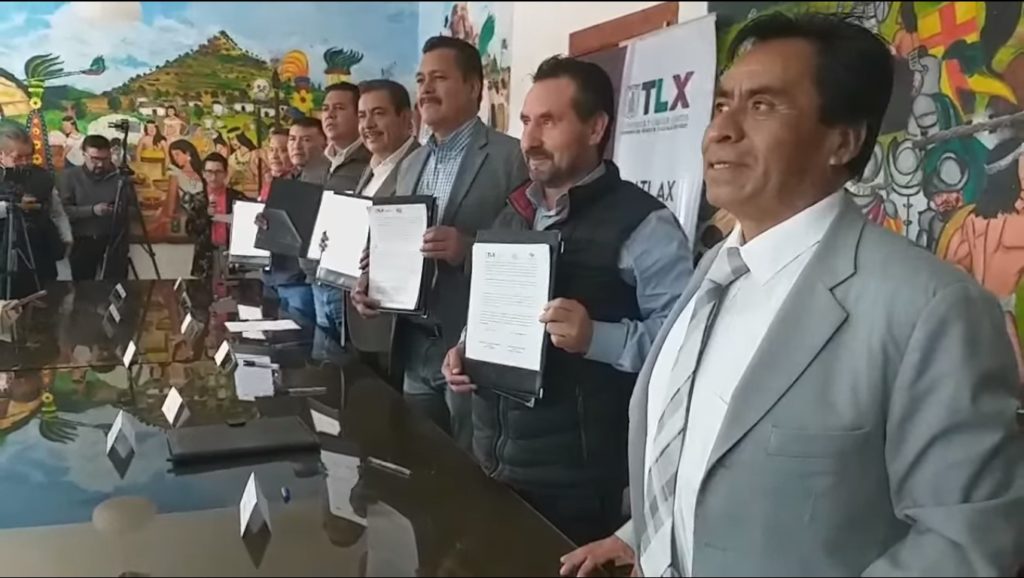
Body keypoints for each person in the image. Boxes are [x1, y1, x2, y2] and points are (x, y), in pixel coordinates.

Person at [561, 13, 1024, 577]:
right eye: (722, 104)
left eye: (762, 105)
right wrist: (645, 537)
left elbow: (966, 542)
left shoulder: (932, 310)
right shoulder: (715, 268)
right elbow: (711, 452)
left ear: (842, 141)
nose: (721, 130)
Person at [441, 56, 692, 546]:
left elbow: (684, 345)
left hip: (577, 484)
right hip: (491, 458)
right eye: (526, 122)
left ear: (596, 128)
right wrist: (465, 348)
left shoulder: (645, 225)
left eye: (549, 122)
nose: (530, 140)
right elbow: (490, 309)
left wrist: (598, 338)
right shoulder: (512, 212)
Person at [351, 36, 528, 451]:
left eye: (439, 78)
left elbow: (529, 253)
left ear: (473, 87)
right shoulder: (412, 163)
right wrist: (373, 280)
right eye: (420, 80)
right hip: (413, 345)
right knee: (420, 460)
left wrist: (467, 249)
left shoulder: (511, 158)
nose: (426, 89)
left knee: (471, 465)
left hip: (470, 349)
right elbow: (396, 244)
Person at [346, 79, 419, 383]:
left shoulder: (419, 166)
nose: (368, 125)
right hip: (361, 315)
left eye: (378, 113)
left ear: (406, 118)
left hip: (394, 324)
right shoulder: (373, 166)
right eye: (362, 116)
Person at [304, 83, 371, 342]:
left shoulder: (370, 161)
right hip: (315, 281)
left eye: (339, 108)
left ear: (358, 115)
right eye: (325, 109)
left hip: (350, 290)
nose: (330, 115)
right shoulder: (315, 164)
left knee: (351, 360)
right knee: (324, 359)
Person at [258, 118, 327, 322]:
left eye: (305, 139)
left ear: (323, 143)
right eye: (292, 139)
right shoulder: (287, 182)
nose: (296, 146)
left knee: (302, 334)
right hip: (276, 275)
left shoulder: (325, 177)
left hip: (302, 280)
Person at [0, 124, 72, 296]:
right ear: (1, 154)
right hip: (3, 247)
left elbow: (56, 210)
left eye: (29, 157)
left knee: (42, 297)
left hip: (38, 249)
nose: (25, 162)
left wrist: (66, 236)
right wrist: (13, 206)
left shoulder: (42, 176)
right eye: (18, 157)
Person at [60, 134, 131, 281]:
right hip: (83, 241)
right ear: (84, 155)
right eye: (95, 159)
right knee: (83, 289)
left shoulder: (120, 178)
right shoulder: (70, 177)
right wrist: (93, 210)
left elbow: (134, 210)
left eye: (105, 159)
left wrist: (120, 209)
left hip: (114, 242)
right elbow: (63, 211)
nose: (100, 164)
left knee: (116, 287)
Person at [167, 140, 209, 279]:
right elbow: (171, 204)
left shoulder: (203, 173)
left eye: (178, 154)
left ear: (188, 153)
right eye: (173, 156)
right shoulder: (176, 174)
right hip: (193, 219)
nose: (175, 159)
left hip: (209, 217)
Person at [202, 152, 244, 250]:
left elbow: (247, 223)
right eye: (209, 172)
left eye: (218, 172)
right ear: (203, 174)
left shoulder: (237, 197)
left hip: (232, 250)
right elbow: (190, 230)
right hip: (205, 253)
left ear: (225, 173)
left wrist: (234, 220)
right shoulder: (197, 199)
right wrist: (205, 215)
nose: (213, 177)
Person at [258, 128, 293, 202]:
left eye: (282, 150)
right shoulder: (269, 179)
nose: (274, 156)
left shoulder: (300, 183)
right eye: (271, 150)